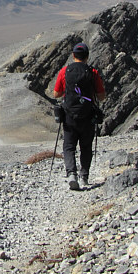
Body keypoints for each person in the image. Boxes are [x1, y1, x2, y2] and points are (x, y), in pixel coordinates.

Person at [52, 42, 105, 190]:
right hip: (88, 115)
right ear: (87, 56)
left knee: (69, 146)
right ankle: (84, 176)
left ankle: (71, 175)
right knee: (86, 146)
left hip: (69, 116)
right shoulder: (93, 72)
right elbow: (101, 96)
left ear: (73, 55)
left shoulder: (64, 71)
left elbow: (56, 94)